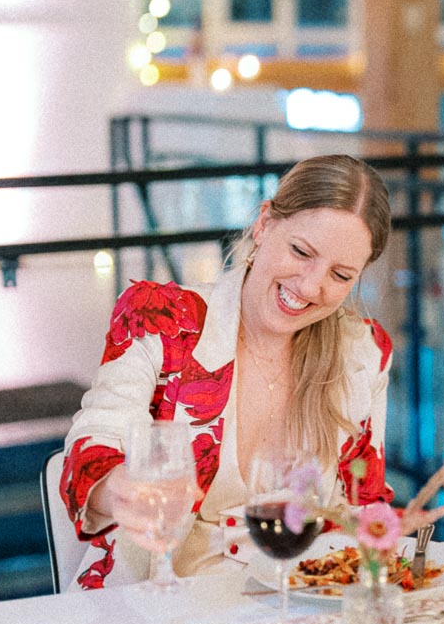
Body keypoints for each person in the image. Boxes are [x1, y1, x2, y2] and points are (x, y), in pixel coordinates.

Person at [60, 154, 399, 589]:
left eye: (340, 274)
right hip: (156, 599)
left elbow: (364, 504)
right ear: (264, 225)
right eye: (301, 252)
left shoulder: (364, 352)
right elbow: (92, 444)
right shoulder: (163, 319)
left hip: (296, 609)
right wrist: (119, 490)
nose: (312, 287)